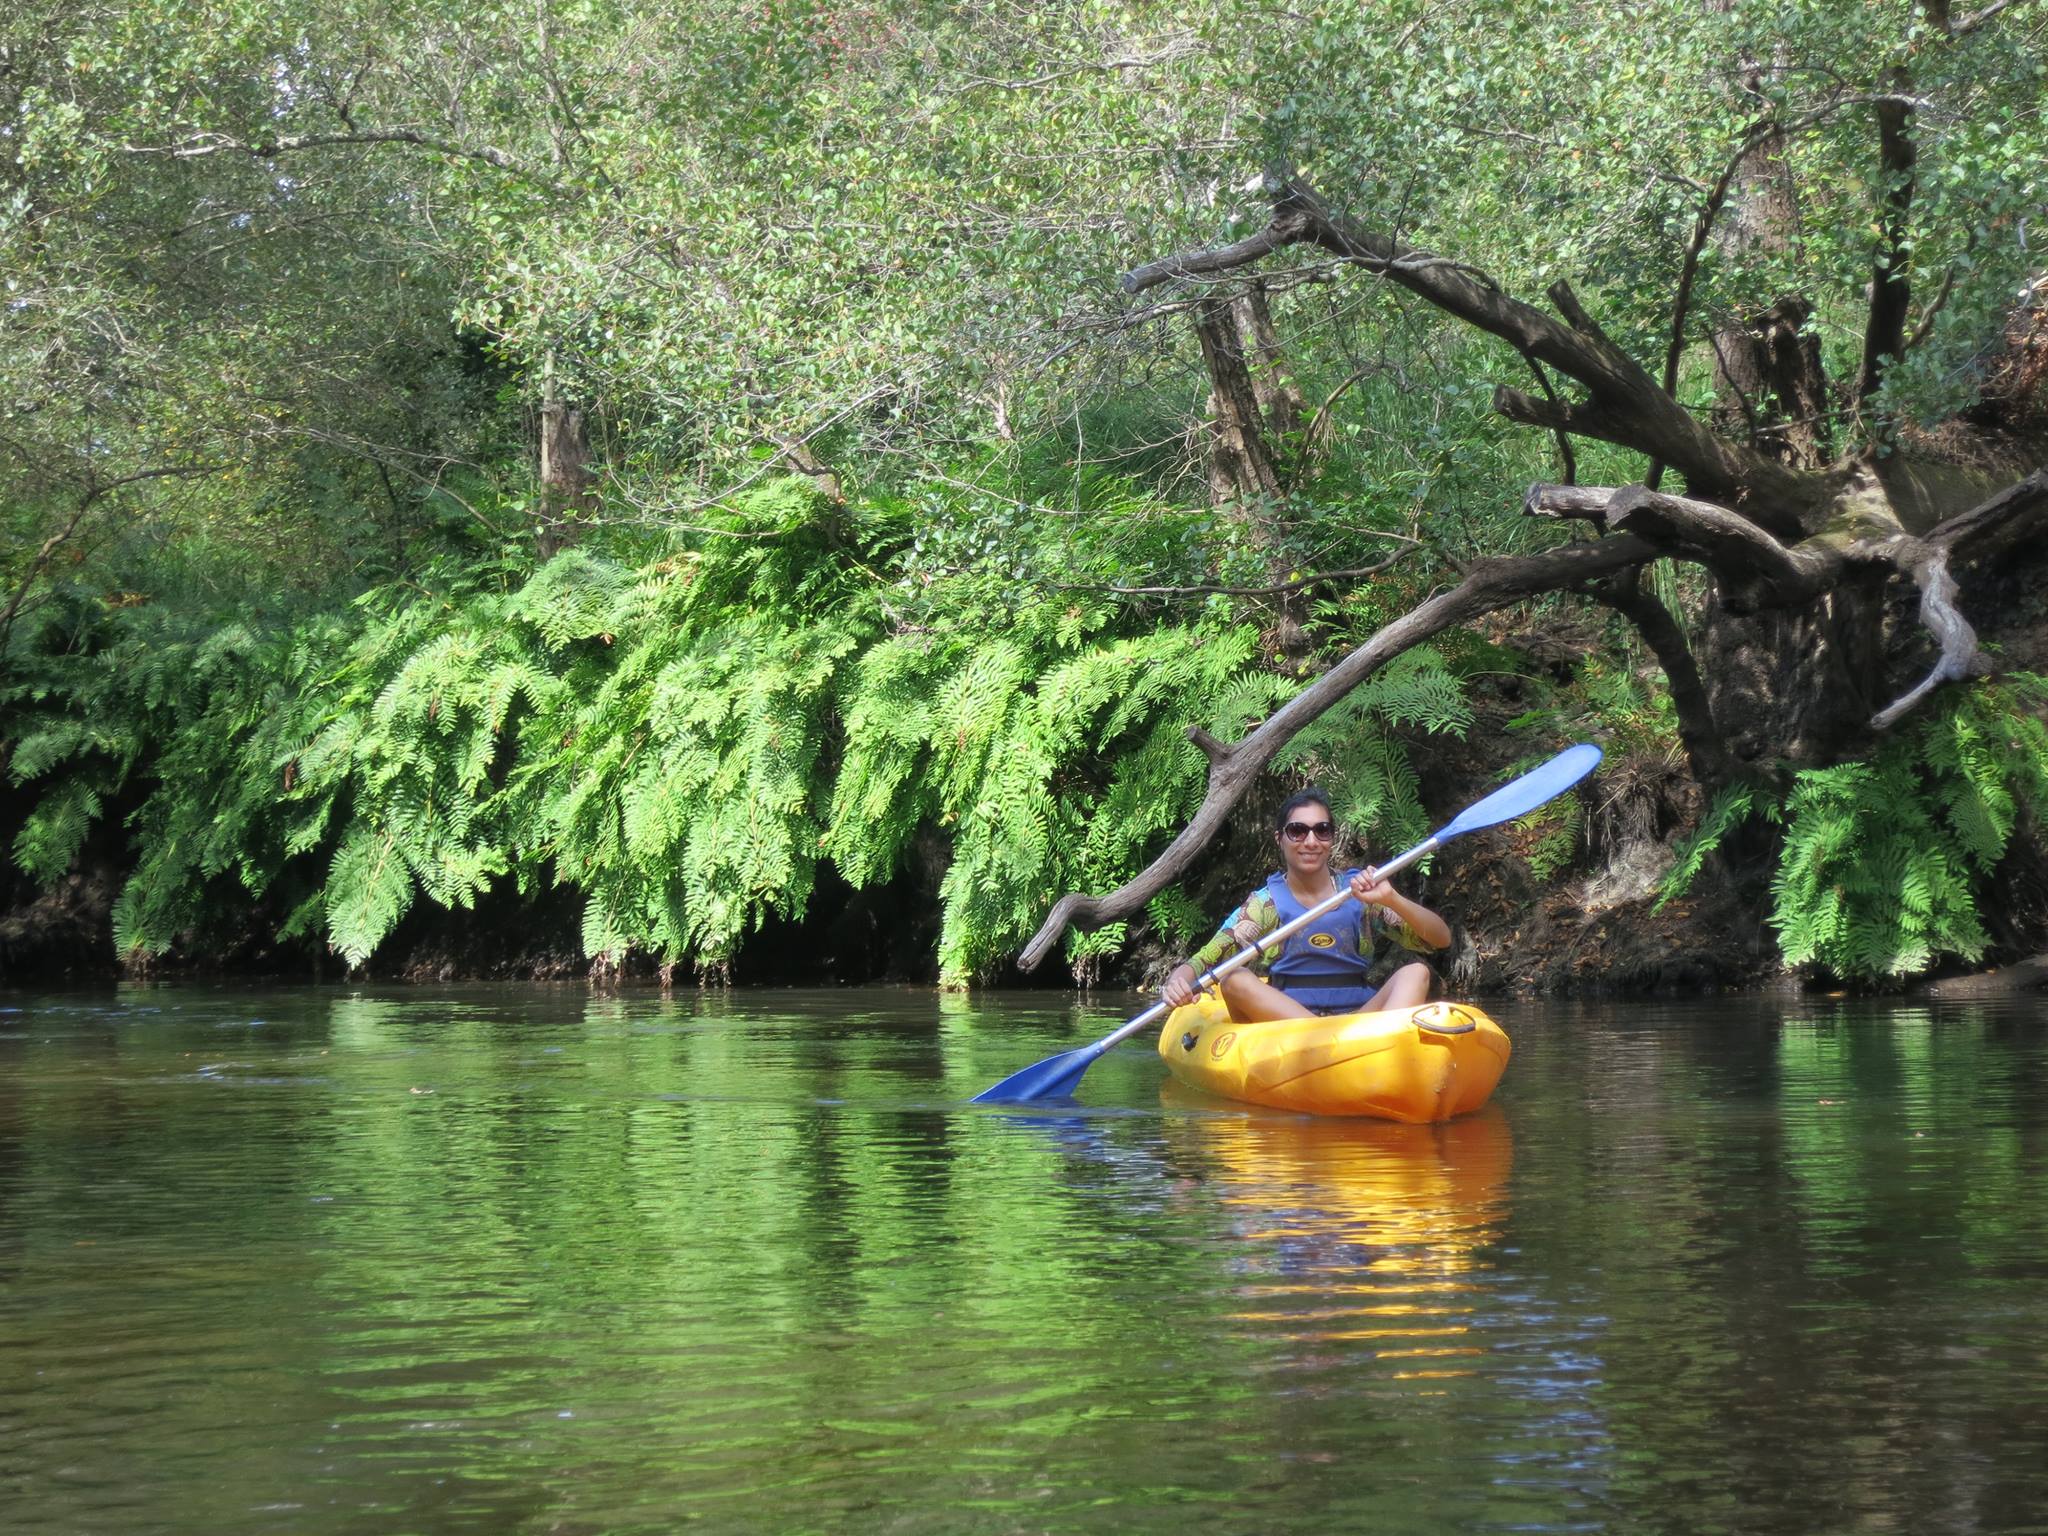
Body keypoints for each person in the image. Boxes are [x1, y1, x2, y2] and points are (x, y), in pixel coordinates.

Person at [1160, 787, 1451, 1021]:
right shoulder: (1266, 904)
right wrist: (1178, 980)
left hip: (1358, 1020)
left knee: (1417, 972)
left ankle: (1380, 1047)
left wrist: (1392, 898)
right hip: (1288, 1027)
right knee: (1234, 979)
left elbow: (1439, 939)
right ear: (1280, 839)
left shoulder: (1360, 895)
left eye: (1321, 830)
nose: (1310, 841)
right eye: (1298, 831)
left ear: (1331, 839)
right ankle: (1322, 1039)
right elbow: (1204, 960)